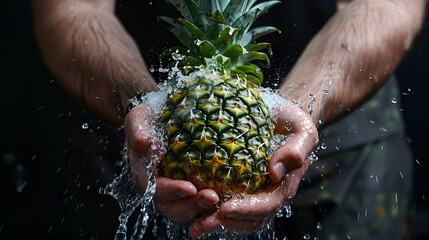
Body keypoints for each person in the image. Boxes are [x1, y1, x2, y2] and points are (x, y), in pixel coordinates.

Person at [32, 0, 426, 239]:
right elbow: (74, 9)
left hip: (342, 131)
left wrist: (301, 108)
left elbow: (388, 6)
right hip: (130, 126)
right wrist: (145, 103)